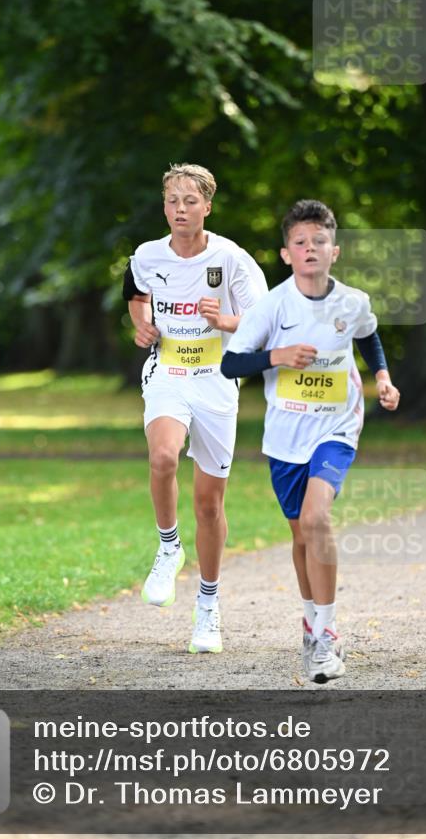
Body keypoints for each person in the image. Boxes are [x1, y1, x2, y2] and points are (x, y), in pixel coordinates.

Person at [221, 199, 400, 682]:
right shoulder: (272, 306)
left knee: (318, 518)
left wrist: (381, 377)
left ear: (334, 250)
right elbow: (231, 363)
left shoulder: (354, 302)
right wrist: (277, 354)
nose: (310, 249)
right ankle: (310, 618)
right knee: (301, 533)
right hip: (285, 437)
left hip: (336, 428)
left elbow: (368, 336)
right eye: (300, 243)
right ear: (286, 254)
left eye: (319, 241)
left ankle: (327, 634)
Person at [123, 163, 267, 654]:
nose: (179, 210)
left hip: (216, 382)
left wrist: (223, 318)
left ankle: (208, 606)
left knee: (210, 504)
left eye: (189, 201)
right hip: (167, 373)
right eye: (171, 201)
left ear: (208, 205)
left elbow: (265, 320)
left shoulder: (231, 259)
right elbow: (136, 294)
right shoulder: (147, 255)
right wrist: (142, 324)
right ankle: (168, 546)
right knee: (162, 457)